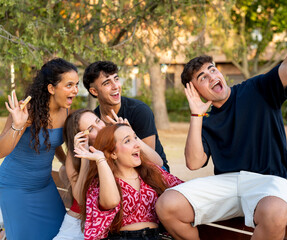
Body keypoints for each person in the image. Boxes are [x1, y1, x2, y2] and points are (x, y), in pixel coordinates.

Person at [155, 2, 287, 240]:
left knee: (275, 212)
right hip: (228, 183)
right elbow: (194, 163)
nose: (212, 76)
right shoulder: (204, 118)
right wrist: (196, 115)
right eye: (202, 77)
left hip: (269, 180)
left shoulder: (257, 89)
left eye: (212, 70)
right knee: (167, 204)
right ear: (195, 91)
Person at [54, 109, 164, 240]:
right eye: (91, 129)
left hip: (104, 227)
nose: (100, 127)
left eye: (98, 121)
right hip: (77, 224)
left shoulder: (116, 145)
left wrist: (129, 134)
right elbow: (82, 200)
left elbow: (158, 163)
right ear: (83, 137)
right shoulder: (74, 158)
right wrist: (85, 158)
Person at [0, 58, 79, 239]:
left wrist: (63, 160)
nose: (75, 90)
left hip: (44, 186)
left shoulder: (65, 109)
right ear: (51, 88)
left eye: (76, 85)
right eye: (69, 85)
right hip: (15, 187)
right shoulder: (26, 110)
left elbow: (51, 141)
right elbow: (1, 151)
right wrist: (17, 125)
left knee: (58, 234)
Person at [73, 123, 183, 240]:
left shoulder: (151, 171)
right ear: (113, 153)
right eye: (127, 141)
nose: (137, 145)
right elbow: (111, 201)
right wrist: (101, 160)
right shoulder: (103, 182)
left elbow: (182, 188)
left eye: (135, 138)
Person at [82, 61, 170, 172]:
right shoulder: (95, 119)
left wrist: (129, 134)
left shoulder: (139, 111)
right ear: (94, 91)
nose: (116, 86)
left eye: (116, 79)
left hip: (154, 170)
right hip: (118, 171)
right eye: (107, 83)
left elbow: (148, 160)